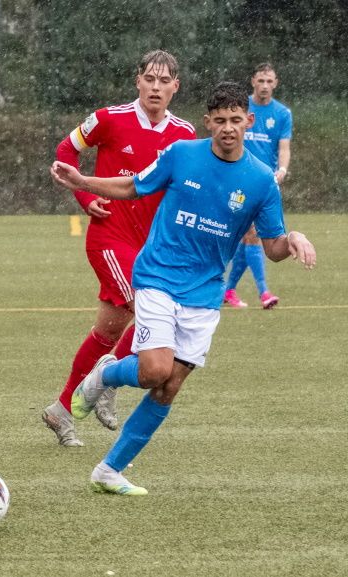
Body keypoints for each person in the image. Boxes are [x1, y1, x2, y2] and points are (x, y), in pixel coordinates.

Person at [50, 81, 316, 495]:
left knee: (168, 385)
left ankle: (109, 470)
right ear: (208, 123)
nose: (228, 128)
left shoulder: (262, 181)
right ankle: (105, 374)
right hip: (157, 275)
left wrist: (295, 237)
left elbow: (274, 248)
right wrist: (83, 182)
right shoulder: (181, 154)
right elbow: (132, 186)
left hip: (206, 293)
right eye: (220, 121)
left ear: (248, 121)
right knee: (154, 368)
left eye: (236, 120)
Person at [41, 50, 197, 448]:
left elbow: (187, 189)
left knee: (107, 330)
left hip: (152, 246)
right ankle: (110, 380)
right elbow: (65, 152)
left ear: (175, 86)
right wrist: (83, 197)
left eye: (164, 81)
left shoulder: (185, 134)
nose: (156, 87)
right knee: (145, 306)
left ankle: (61, 410)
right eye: (149, 79)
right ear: (137, 81)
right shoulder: (109, 118)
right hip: (110, 236)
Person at [223, 63, 293, 309]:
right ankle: (264, 292)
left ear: (276, 83)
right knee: (252, 235)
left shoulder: (282, 114)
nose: (264, 85)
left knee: (248, 239)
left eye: (269, 81)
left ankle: (228, 290)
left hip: (266, 183)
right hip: (239, 181)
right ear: (253, 81)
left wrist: (281, 170)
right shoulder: (243, 108)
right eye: (260, 80)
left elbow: (283, 148)